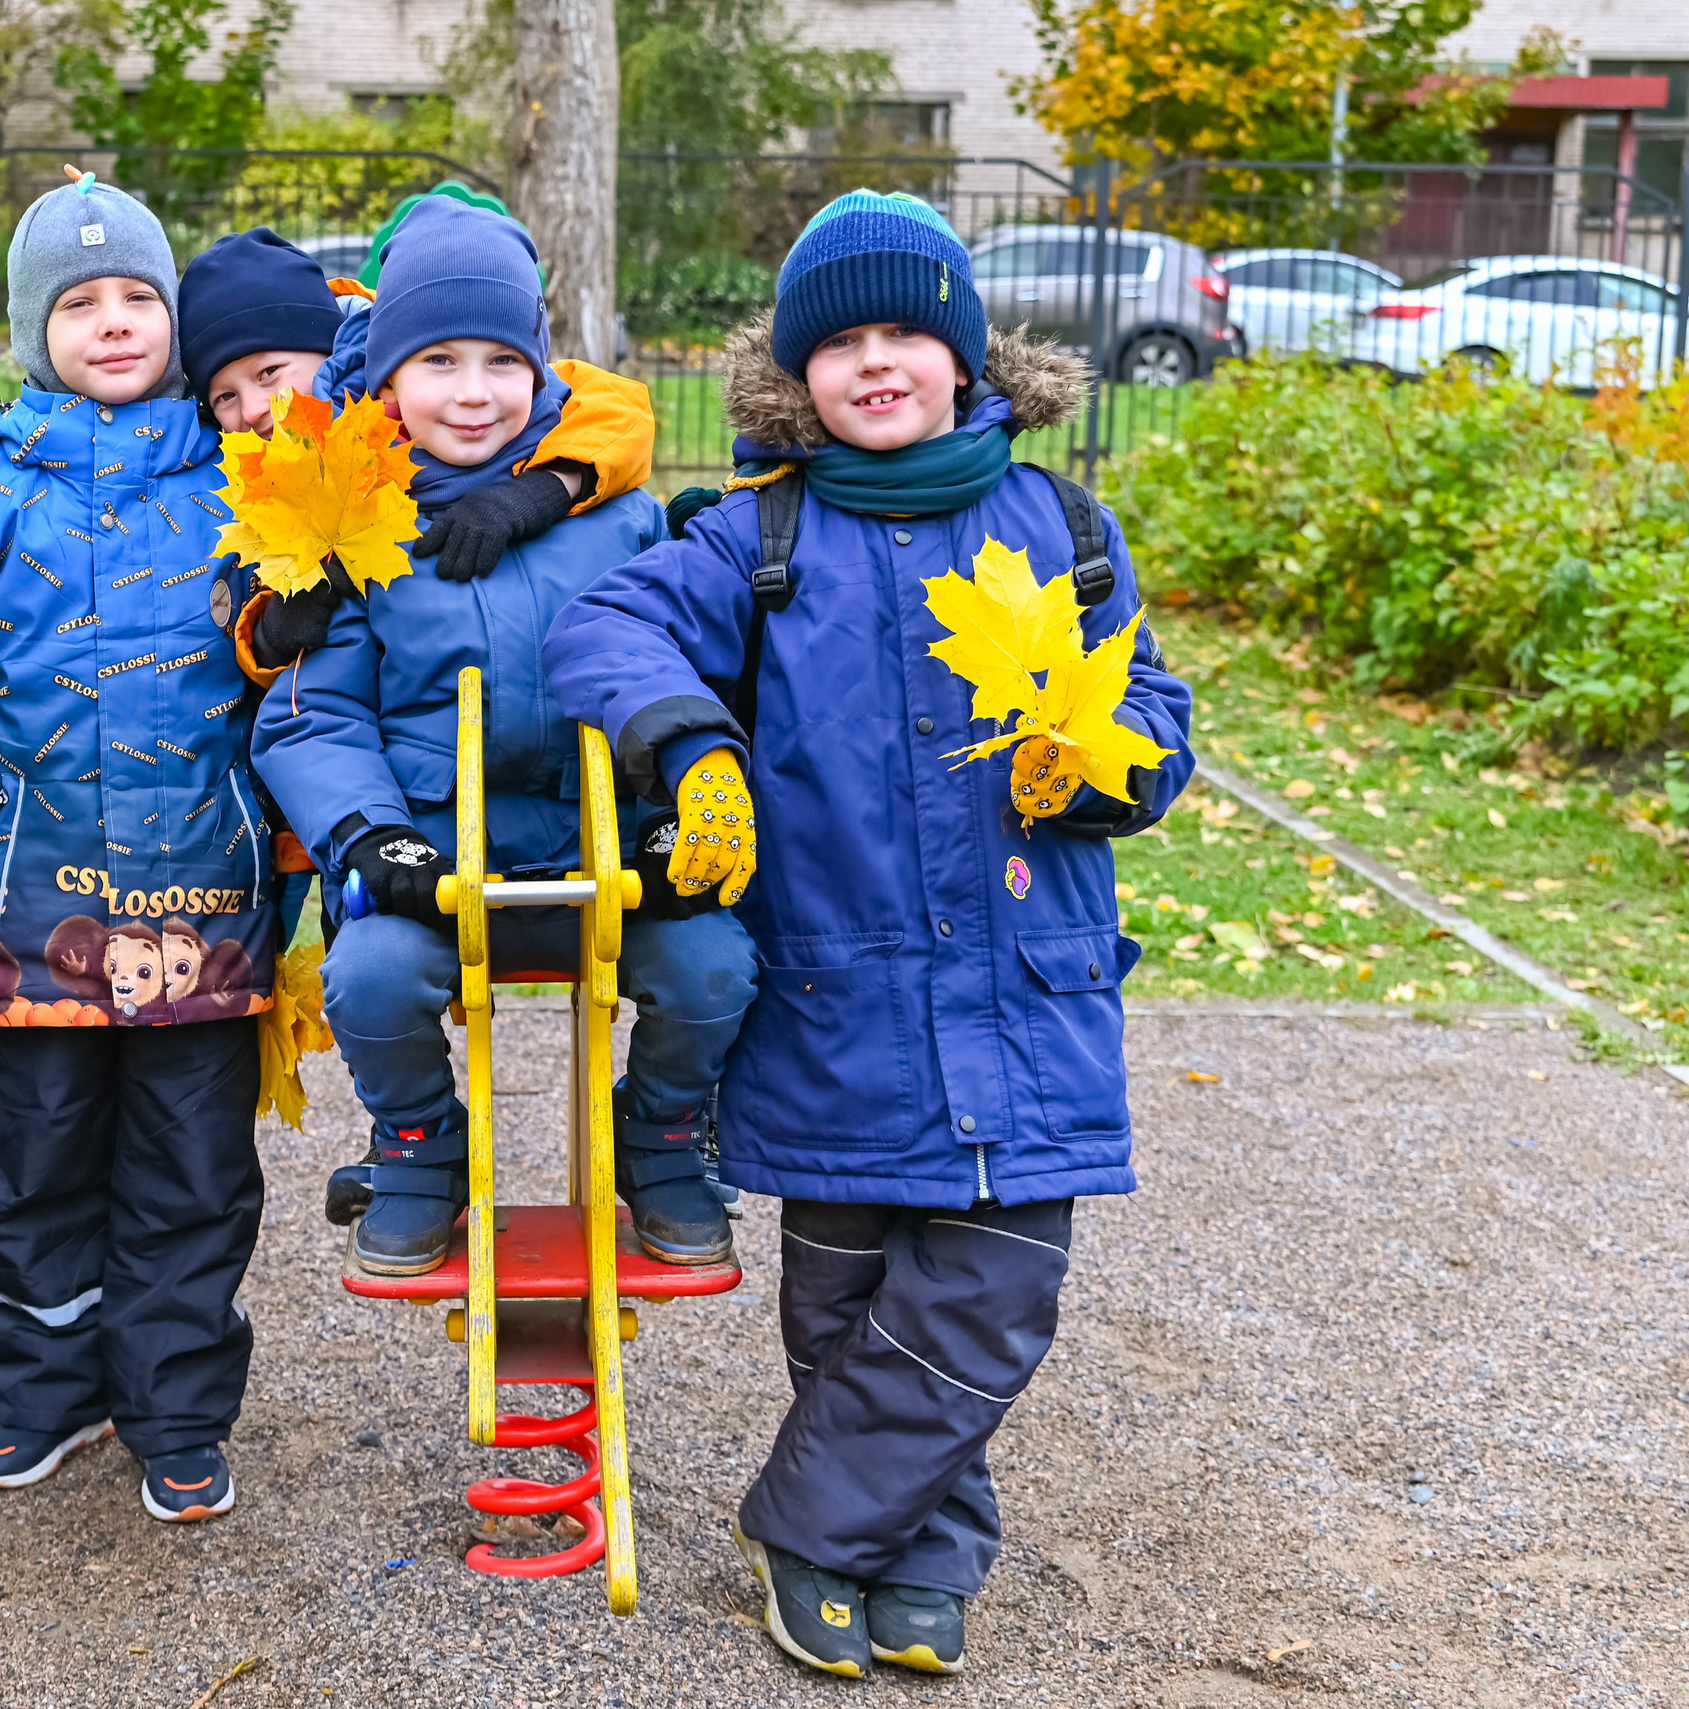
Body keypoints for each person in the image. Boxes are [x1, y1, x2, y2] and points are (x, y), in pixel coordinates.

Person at [543, 190, 1196, 1677]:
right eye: (842, 341)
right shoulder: (756, 535)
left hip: (1027, 997)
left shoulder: (1066, 528)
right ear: (798, 374)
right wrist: (693, 747)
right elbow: (603, 631)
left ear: (968, 359)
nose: (878, 361)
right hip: (842, 999)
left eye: (909, 331)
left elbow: (1149, 703)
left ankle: (814, 1531)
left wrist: (1106, 764)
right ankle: (928, 1562)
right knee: (844, 1303)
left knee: (994, 1292)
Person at [249, 196, 759, 1278]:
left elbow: (675, 663)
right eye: (436, 360)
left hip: (602, 842)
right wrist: (367, 835)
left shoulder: (612, 514)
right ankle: (420, 1147)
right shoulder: (355, 524)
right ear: (386, 380)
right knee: (374, 976)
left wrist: (668, 810)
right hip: (438, 852)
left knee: (713, 964)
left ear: (541, 369)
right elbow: (314, 711)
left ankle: (660, 1133)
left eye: (500, 359)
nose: (472, 391)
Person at [0, 171, 272, 1524]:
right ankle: (44, 1391)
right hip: (29, 891)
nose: (115, 323)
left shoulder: (247, 480)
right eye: (81, 303)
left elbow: (285, 689)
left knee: (193, 1163)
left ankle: (176, 1407)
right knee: (45, 1157)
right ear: (32, 327)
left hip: (207, 894)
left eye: (138, 298)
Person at [175, 218, 665, 953]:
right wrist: (273, 626)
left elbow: (611, 409)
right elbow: (271, 636)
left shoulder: (416, 396)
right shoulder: (271, 478)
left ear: (342, 351)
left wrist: (550, 487)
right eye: (223, 396)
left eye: (272, 373)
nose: (254, 407)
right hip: (378, 802)